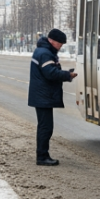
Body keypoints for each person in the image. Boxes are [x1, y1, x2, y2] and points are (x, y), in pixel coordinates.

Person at [28, 28, 76, 166]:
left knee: (45, 126)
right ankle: (42, 156)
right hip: (43, 96)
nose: (60, 47)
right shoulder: (45, 53)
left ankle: (43, 154)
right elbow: (50, 73)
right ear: (52, 40)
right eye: (60, 43)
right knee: (45, 127)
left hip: (42, 95)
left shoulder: (44, 51)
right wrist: (67, 75)